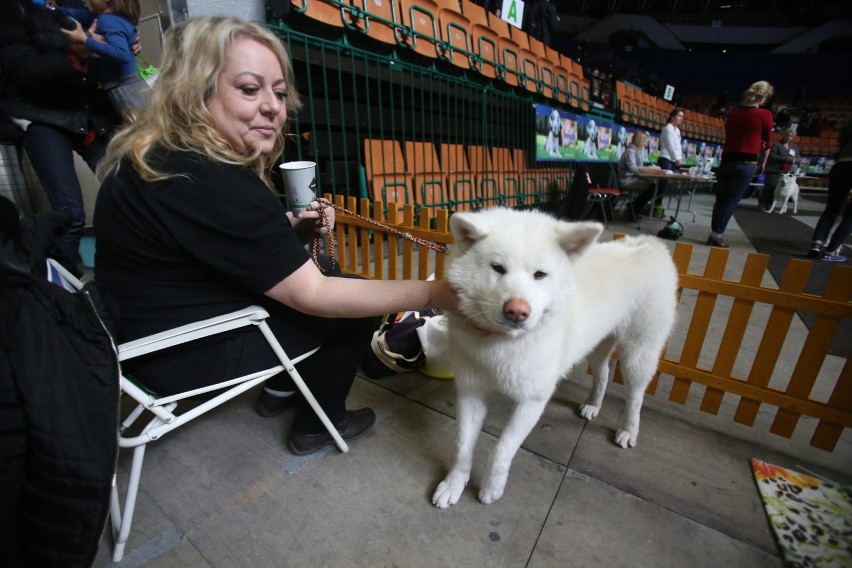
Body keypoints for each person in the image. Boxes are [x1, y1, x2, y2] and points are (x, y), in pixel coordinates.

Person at [93, 16, 458, 456]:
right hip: (172, 356)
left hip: (138, 335)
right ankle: (318, 425)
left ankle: (282, 390)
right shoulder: (208, 176)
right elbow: (315, 294)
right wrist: (437, 292)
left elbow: (218, 247)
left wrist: (298, 229)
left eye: (280, 93)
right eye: (250, 89)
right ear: (195, 91)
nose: (273, 107)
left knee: (333, 274)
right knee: (353, 300)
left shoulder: (162, 156)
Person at [0, 0, 121, 268]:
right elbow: (21, 69)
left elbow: (105, 55)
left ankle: (131, 273)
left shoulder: (76, 5)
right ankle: (63, 295)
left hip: (91, 112)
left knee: (128, 193)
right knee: (71, 215)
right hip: (42, 117)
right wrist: (76, 53)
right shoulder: (12, 9)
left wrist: (121, 47)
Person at [707, 80, 774, 248]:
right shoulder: (765, 115)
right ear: (763, 97)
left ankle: (715, 233)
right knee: (730, 201)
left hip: (727, 161)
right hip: (746, 162)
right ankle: (717, 235)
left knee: (721, 200)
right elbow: (767, 143)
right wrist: (762, 163)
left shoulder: (734, 114)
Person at [59, 0, 149, 116]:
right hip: (131, 82)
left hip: (123, 86)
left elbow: (121, 54)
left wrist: (84, 40)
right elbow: (73, 13)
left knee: (139, 125)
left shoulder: (107, 20)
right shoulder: (114, 18)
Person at [807, 116, 852, 262]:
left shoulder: (849, 119)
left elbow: (842, 140)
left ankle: (816, 245)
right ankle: (831, 251)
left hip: (843, 165)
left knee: (832, 209)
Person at [616, 130, 661, 215]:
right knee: (653, 187)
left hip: (631, 179)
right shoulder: (630, 152)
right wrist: (650, 168)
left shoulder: (634, 151)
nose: (645, 144)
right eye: (644, 142)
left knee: (654, 185)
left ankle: (635, 206)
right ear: (639, 141)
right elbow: (633, 169)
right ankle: (635, 207)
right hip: (627, 181)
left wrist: (650, 169)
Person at [758, 128, 798, 211]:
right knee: (768, 187)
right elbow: (772, 156)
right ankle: (761, 204)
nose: (788, 137)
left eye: (790, 136)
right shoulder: (776, 145)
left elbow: (797, 156)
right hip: (773, 170)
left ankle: (769, 205)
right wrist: (785, 158)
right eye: (786, 135)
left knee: (777, 189)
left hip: (785, 171)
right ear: (783, 135)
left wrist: (795, 159)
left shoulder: (794, 146)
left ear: (793, 137)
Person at [653, 108, 684, 209]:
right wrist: (677, 159)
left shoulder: (677, 130)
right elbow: (670, 146)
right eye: (679, 116)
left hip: (672, 160)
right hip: (665, 158)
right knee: (663, 184)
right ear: (672, 117)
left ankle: (658, 204)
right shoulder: (668, 128)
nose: (681, 119)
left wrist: (679, 158)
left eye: (682, 117)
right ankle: (657, 204)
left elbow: (678, 146)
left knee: (666, 185)